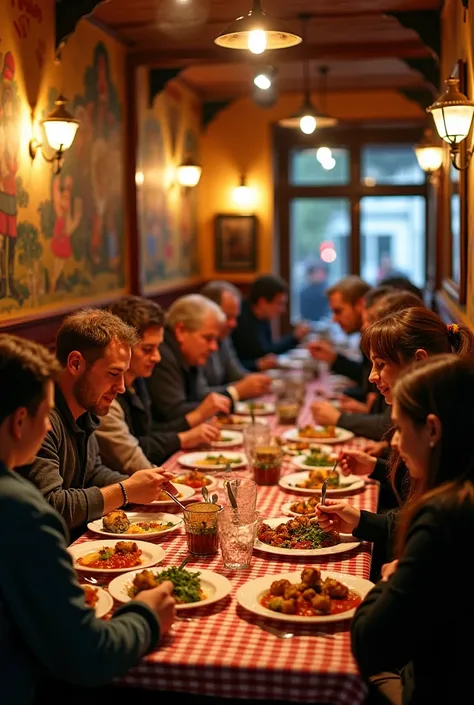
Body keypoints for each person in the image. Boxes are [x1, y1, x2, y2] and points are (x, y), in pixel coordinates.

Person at [0, 334, 175, 705]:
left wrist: (136, 486)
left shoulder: (85, 416)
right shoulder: (23, 512)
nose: (48, 427)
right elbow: (89, 656)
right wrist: (146, 614)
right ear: (19, 421)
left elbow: (94, 472)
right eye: (44, 414)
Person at [351, 354, 474, 705]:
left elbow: (371, 645)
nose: (393, 443)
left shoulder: (444, 517)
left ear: (432, 429)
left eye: (401, 429)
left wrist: (390, 577)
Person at [316, 309, 474, 573]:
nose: (371, 376)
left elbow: (430, 525)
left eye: (380, 364)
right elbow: (415, 505)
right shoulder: (438, 410)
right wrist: (376, 469)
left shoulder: (451, 426)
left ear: (419, 360)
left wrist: (366, 524)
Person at [21, 308, 176, 536]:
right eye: (113, 374)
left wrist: (143, 484)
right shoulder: (40, 419)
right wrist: (125, 491)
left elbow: (92, 473)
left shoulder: (85, 408)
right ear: (75, 363)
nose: (122, 387)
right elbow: (52, 506)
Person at [95, 295, 221, 474]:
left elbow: (149, 432)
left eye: (158, 348)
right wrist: (183, 437)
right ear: (121, 347)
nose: (157, 357)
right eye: (147, 349)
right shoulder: (106, 394)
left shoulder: (138, 379)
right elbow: (134, 452)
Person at [146, 294, 232, 425]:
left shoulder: (190, 355)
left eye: (215, 340)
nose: (214, 347)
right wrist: (231, 395)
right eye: (208, 338)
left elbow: (197, 395)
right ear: (181, 331)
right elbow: (172, 413)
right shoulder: (161, 355)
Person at [200, 280, 271, 401]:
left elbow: (236, 374)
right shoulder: (196, 340)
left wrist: (257, 381)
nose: (233, 324)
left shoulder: (224, 335)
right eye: (227, 317)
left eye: (235, 317)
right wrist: (236, 390)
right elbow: (198, 394)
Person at [307, 275, 371, 401]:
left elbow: (372, 389)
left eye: (338, 311)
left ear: (360, 304)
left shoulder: (375, 336)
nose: (334, 319)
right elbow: (367, 378)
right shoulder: (365, 335)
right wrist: (333, 358)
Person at [231, 274, 311, 371]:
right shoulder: (238, 319)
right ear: (262, 302)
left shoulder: (263, 318)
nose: (283, 310)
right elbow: (260, 354)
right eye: (279, 303)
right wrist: (256, 365)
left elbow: (268, 351)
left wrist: (295, 338)